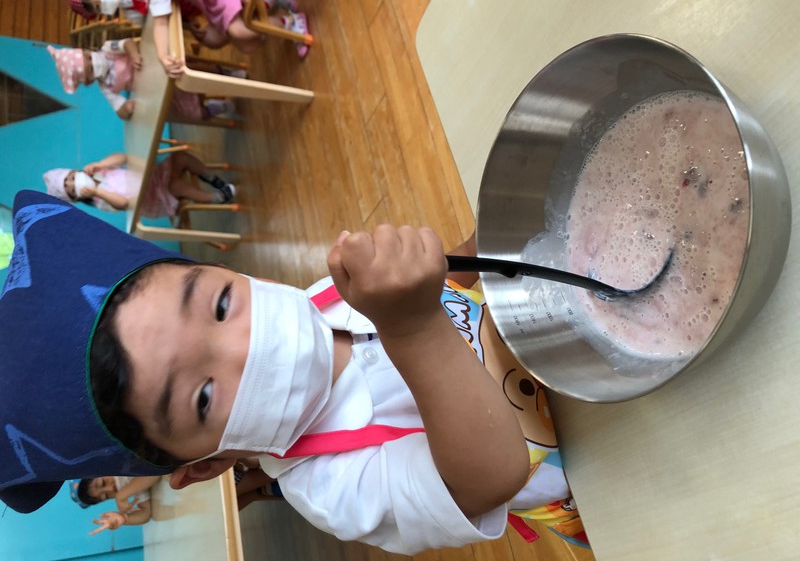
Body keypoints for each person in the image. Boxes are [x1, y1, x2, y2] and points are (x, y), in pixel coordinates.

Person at [0, 190, 588, 555]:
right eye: (203, 397)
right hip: (595, 470)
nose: (243, 345)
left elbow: (452, 285)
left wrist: (494, 233)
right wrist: (412, 328)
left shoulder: (328, 298)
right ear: (206, 464)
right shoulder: (329, 489)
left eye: (221, 305)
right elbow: (490, 477)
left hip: (576, 346)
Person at [112, 0, 309, 66]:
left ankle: (291, 21)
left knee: (238, 31)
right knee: (243, 44)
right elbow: (161, 22)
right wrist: (163, 56)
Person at [46, 39, 234, 122]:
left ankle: (227, 74)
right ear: (88, 81)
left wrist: (134, 54)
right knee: (190, 113)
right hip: (155, 89)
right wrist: (126, 109)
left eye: (88, 57)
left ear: (87, 50)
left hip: (156, 65)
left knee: (191, 69)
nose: (93, 62)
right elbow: (119, 109)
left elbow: (127, 43)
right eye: (90, 70)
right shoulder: (106, 87)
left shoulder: (107, 49)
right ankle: (216, 107)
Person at [42, 150, 236, 217]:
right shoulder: (99, 200)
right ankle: (216, 197)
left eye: (70, 178)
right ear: (76, 198)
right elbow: (123, 203)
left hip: (153, 177)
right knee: (177, 186)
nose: (73, 183)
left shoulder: (99, 171)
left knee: (181, 157)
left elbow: (122, 158)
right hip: (152, 199)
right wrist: (97, 192)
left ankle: (210, 177)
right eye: (70, 189)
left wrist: (102, 164)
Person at [69, 476, 161, 535]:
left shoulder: (125, 463)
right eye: (106, 496)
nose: (110, 489)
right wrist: (124, 518)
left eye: (103, 483)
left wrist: (121, 495)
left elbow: (154, 473)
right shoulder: (128, 488)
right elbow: (146, 512)